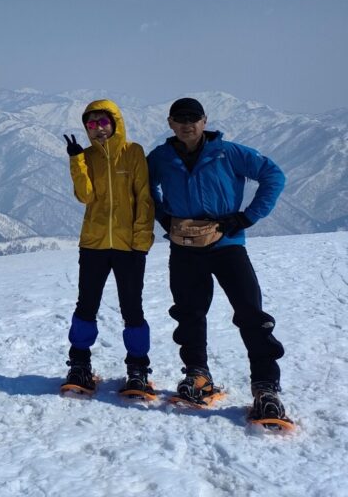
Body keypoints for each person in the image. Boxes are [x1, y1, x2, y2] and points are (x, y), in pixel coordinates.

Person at [147, 97, 288, 423]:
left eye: (193, 118)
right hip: (184, 245)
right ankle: (198, 375)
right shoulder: (161, 157)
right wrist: (163, 217)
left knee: (250, 312)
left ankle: (265, 387)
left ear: (205, 120)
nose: (187, 124)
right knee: (189, 313)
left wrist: (247, 217)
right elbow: (145, 187)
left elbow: (273, 175)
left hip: (227, 245)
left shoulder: (228, 152)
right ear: (170, 123)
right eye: (180, 118)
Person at [61, 99, 155, 396]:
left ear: (116, 123)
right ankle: (79, 365)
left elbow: (144, 198)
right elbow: (85, 196)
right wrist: (76, 161)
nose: (98, 129)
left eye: (103, 122)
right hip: (94, 244)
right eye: (92, 124)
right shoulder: (86, 156)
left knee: (132, 308)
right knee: (86, 306)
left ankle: (138, 368)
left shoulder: (134, 153)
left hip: (129, 247)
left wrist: (141, 241)